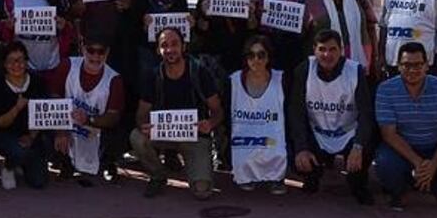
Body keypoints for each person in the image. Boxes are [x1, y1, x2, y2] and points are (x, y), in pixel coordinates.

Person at [375, 41, 437, 211]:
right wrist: (419, 162)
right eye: (406, 65)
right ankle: (401, 190)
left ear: (427, 66)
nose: (412, 70)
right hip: (401, 147)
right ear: (398, 66)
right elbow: (389, 134)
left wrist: (433, 165)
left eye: (418, 65)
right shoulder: (386, 90)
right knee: (385, 165)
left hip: (435, 144)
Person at [130, 27, 223, 199]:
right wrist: (144, 126)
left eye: (175, 44)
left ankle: (193, 168)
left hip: (195, 137)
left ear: (183, 47)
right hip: (163, 135)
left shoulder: (199, 72)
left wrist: (209, 123)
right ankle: (158, 175)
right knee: (137, 137)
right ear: (158, 50)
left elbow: (218, 111)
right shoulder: (153, 75)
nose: (170, 49)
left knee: (202, 192)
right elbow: (141, 113)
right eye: (164, 45)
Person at [287, 29, 375, 205]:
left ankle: (358, 181)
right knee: (290, 145)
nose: (327, 55)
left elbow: (366, 114)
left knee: (370, 140)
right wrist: (301, 148)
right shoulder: (304, 70)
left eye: (333, 49)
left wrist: (358, 147)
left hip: (348, 133)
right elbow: (295, 112)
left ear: (341, 50)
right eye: (322, 49)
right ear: (314, 50)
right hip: (317, 133)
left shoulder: (355, 71)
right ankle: (311, 175)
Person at [51, 37, 125, 184]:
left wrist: (89, 119)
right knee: (45, 129)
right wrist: (60, 130)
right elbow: (53, 99)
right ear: (82, 48)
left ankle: (107, 163)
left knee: (120, 133)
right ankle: (65, 163)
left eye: (101, 52)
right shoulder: (67, 65)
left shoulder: (114, 78)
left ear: (107, 52)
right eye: (91, 51)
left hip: (96, 128)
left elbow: (113, 117)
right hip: (67, 126)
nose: (96, 56)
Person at [0, 0, 72, 81]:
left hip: (52, 63)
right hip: (23, 67)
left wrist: (64, 27)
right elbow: (3, 35)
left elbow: (69, 32)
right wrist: (8, 27)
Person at [0, 42, 51, 190]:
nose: (16, 64)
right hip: (4, 133)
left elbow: (45, 116)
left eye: (20, 60)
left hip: (31, 133)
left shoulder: (38, 82)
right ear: (4, 64)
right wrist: (17, 108)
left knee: (39, 181)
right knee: (18, 150)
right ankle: (8, 164)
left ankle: (21, 162)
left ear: (27, 62)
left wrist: (32, 136)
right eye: (11, 61)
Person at [228, 35, 287, 194]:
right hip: (243, 140)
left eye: (261, 55)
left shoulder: (281, 80)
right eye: (251, 55)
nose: (256, 60)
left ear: (268, 57)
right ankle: (245, 175)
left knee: (276, 147)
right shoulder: (233, 81)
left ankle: (276, 178)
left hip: (273, 140)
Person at [304, 0, 377, 73]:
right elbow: (305, 32)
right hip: (325, 60)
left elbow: (371, 28)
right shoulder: (313, 1)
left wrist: (375, 57)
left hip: (357, 57)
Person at [192, 0, 255, 73]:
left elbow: (252, 29)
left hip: (239, 54)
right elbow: (201, 30)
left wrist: (251, 14)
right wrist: (205, 15)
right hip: (214, 56)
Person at [132, 0, 189, 79]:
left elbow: (183, 31)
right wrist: (143, 26)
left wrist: (190, 24)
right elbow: (132, 29)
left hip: (172, 51)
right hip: (147, 52)